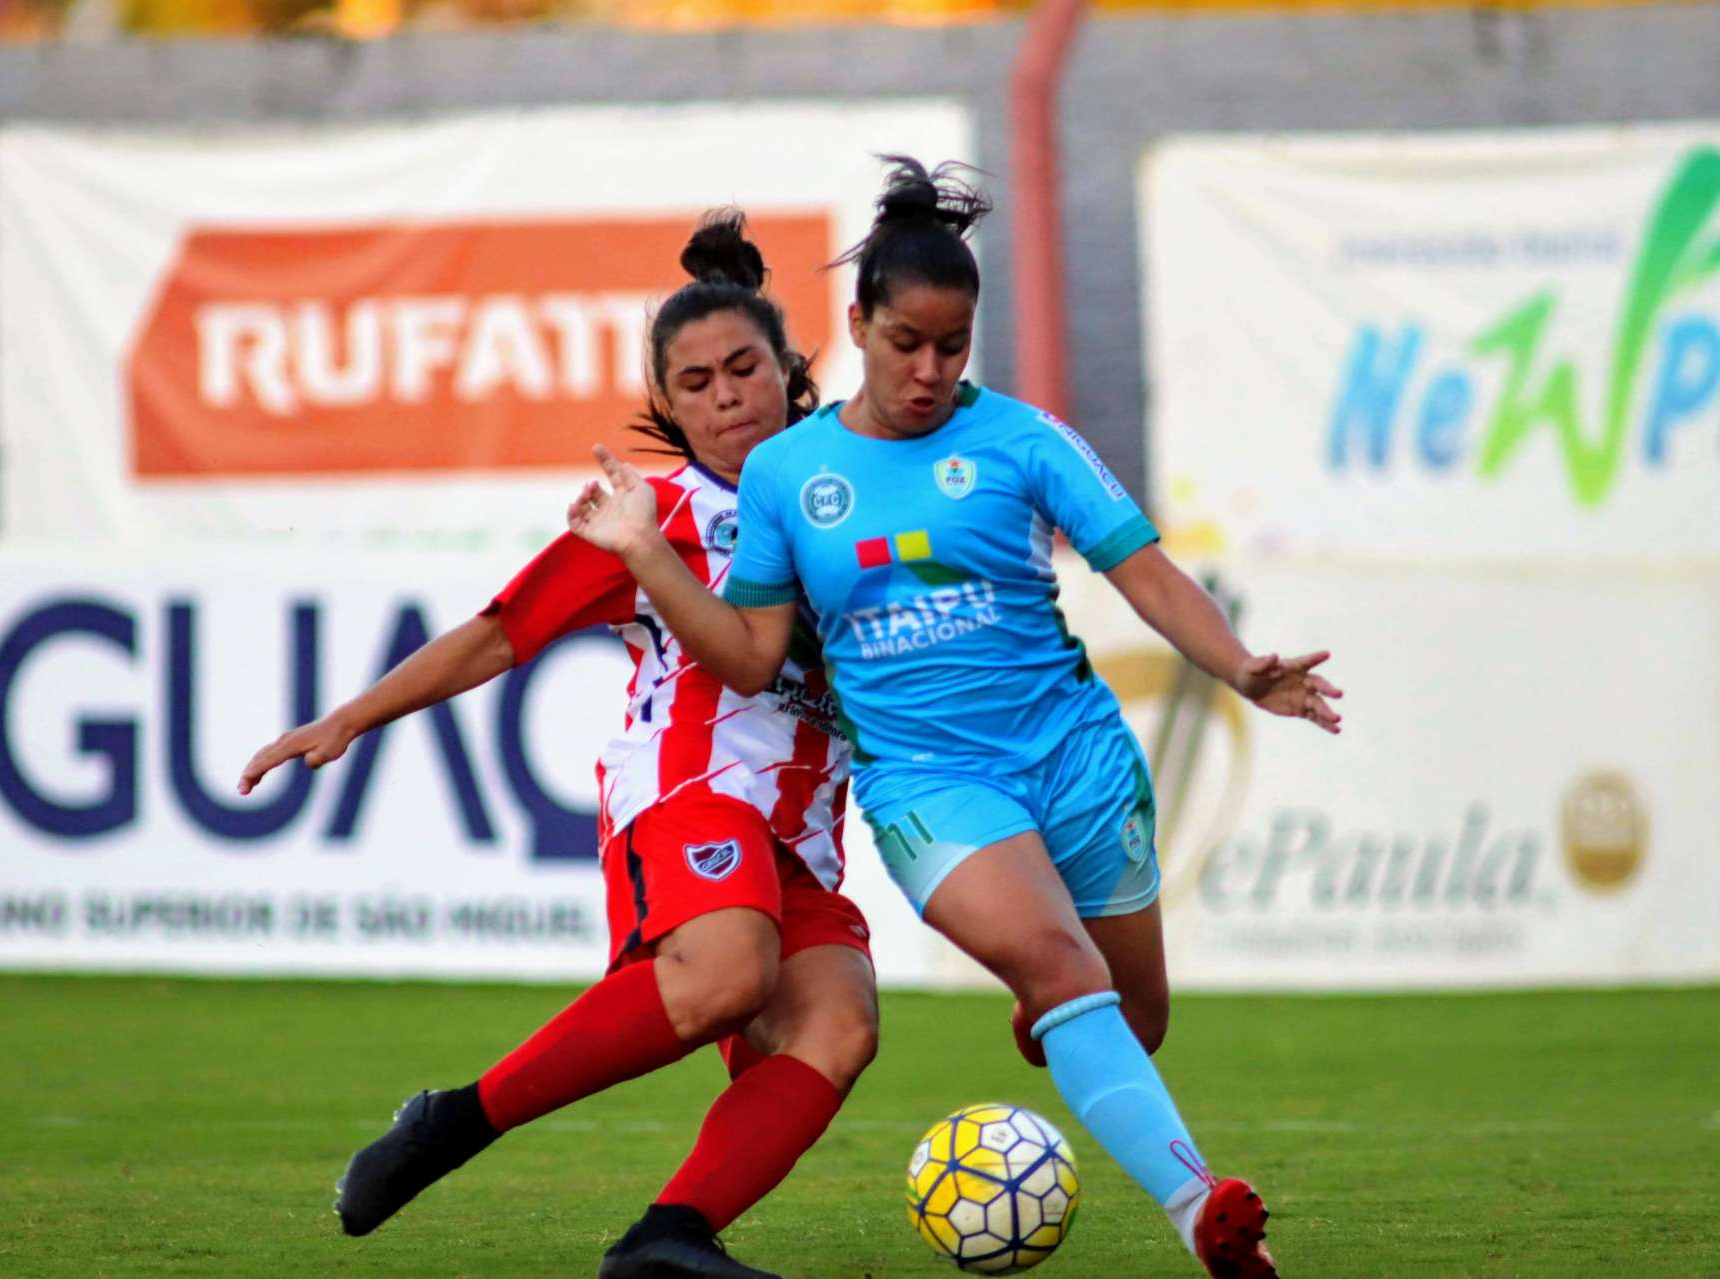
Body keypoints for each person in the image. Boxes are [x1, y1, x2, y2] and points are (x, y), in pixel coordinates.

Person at [565, 157, 1344, 1279]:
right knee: (1065, 971)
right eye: (904, 343)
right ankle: (1200, 1207)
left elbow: (1147, 573)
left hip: (1075, 757)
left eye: (952, 344)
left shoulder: (1025, 442)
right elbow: (747, 654)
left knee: (1134, 1013)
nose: (928, 370)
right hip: (931, 784)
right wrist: (645, 553)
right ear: (857, 326)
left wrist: (1238, 669)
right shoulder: (791, 469)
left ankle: (1066, 1019)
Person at [238, 212, 876, 1279]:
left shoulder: (853, 500)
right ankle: (454, 1121)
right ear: (667, 406)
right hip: (689, 793)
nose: (726, 396)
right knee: (726, 973)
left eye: (744, 369)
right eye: (697, 382)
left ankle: (667, 1241)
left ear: (790, 372)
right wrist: (350, 715)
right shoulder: (658, 511)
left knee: (839, 1024)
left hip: (800, 835)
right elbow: (501, 632)